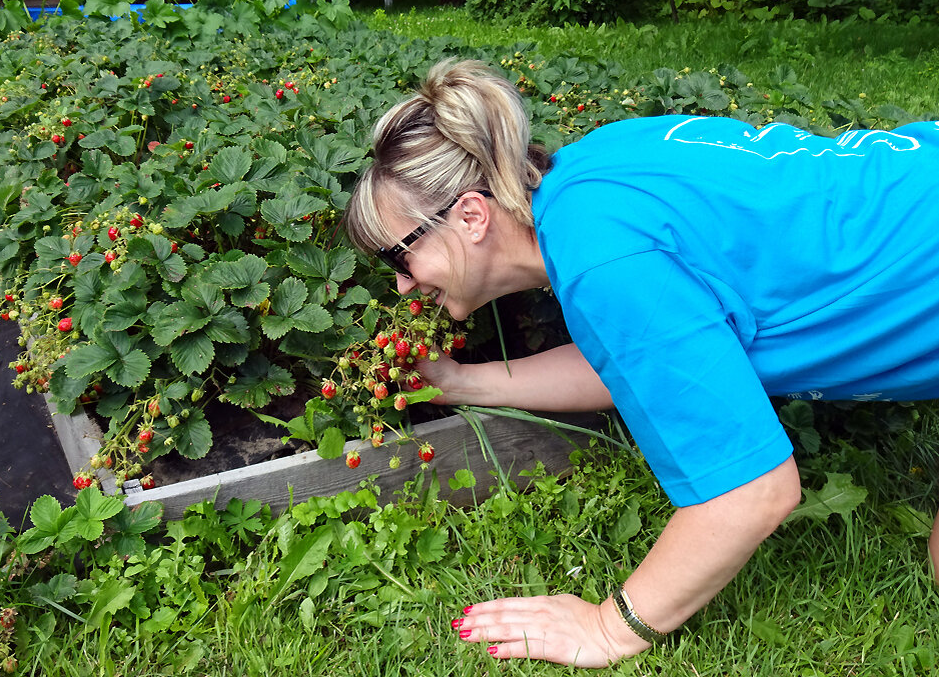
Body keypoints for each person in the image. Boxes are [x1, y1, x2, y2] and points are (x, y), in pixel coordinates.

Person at [343, 58, 939, 667]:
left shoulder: (604, 258)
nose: (401, 287)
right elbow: (641, 355)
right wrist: (462, 383)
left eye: (400, 256)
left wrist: (608, 629)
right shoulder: (587, 178)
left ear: (470, 217)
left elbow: (752, 492)